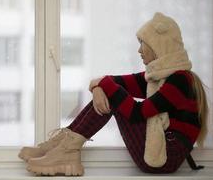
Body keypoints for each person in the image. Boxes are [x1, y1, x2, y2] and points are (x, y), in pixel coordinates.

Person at [18, 12, 208, 176]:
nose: (139, 50)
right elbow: (112, 81)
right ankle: (60, 147)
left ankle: (66, 149)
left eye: (143, 43)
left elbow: (138, 113)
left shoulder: (180, 80)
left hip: (165, 158)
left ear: (159, 46)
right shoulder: (160, 78)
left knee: (114, 97)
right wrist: (99, 86)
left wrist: (103, 86)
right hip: (159, 151)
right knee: (112, 93)